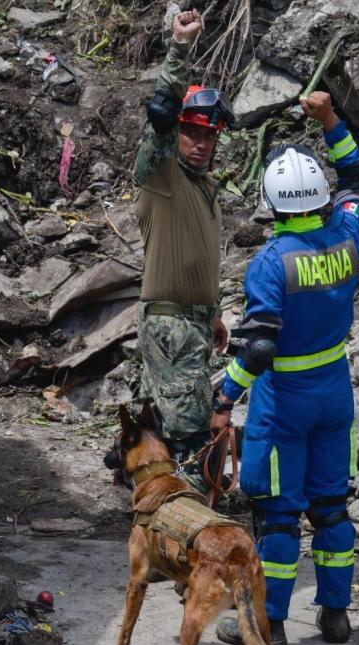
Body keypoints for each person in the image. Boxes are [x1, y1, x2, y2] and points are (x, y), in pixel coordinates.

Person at [209, 92, 359, 645]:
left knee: (278, 516)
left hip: (285, 403)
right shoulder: (347, 240)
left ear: (273, 205)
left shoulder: (272, 263)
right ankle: (336, 617)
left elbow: (257, 352)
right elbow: (357, 176)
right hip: (335, 394)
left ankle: (269, 625)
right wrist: (329, 120)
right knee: (330, 509)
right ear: (320, 197)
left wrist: (225, 398)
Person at [133, 8, 233, 462]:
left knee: (162, 430)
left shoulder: (205, 188)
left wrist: (211, 313)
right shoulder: (162, 177)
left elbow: (199, 258)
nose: (200, 142)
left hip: (191, 324)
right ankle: (186, 521)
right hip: (171, 328)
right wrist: (180, 47)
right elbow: (162, 110)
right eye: (192, 133)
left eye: (209, 135)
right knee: (189, 437)